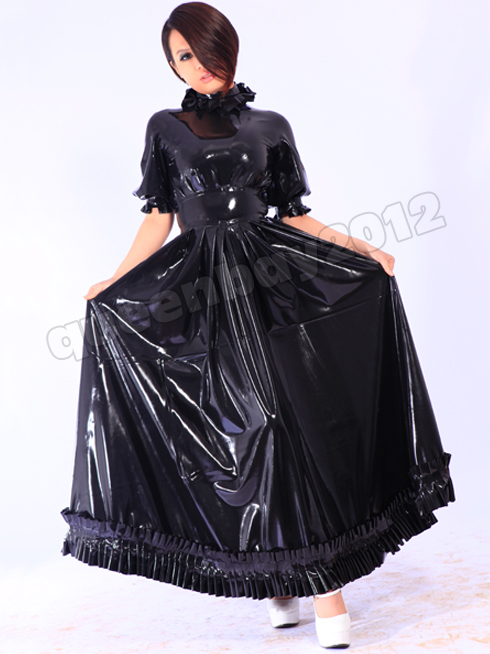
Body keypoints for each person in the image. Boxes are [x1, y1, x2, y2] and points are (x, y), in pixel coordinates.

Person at [61, 2, 455, 649]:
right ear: (172, 66)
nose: (195, 64)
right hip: (201, 293)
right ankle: (277, 579)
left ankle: (325, 585)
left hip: (269, 283)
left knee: (284, 423)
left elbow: (294, 215)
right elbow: (159, 218)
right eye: (181, 56)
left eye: (202, 50)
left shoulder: (271, 126)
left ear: (228, 47)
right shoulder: (165, 128)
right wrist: (114, 281)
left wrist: (360, 248)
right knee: (242, 434)